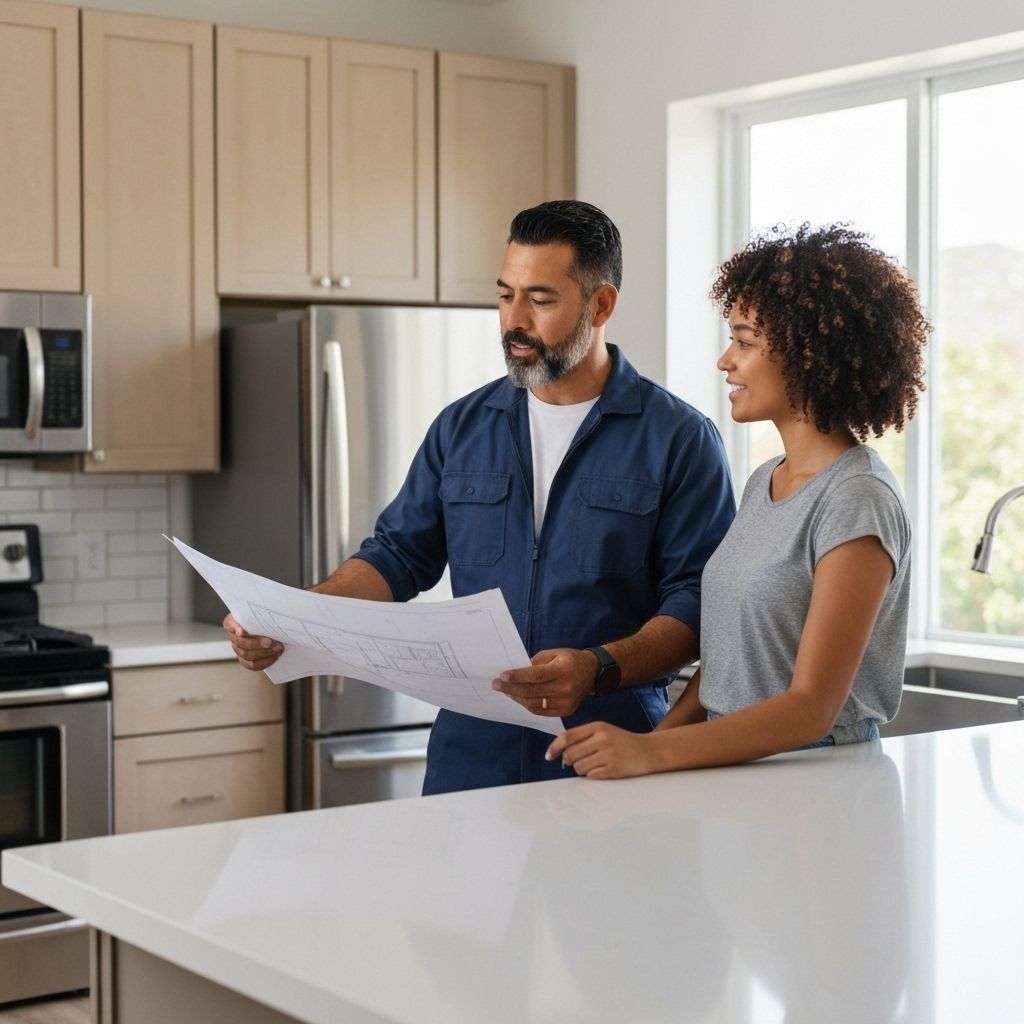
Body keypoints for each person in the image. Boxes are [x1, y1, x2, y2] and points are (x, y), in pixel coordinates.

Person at [225, 199, 736, 794]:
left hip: (608, 753)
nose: (514, 320)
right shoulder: (462, 427)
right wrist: (296, 617)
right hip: (468, 761)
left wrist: (596, 668)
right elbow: (397, 556)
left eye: (540, 300)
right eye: (505, 295)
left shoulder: (679, 439)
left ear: (601, 305)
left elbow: (698, 605)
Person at [547, 222, 930, 778]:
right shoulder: (764, 481)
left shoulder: (857, 497)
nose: (725, 360)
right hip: (738, 772)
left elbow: (811, 709)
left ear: (809, 354)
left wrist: (651, 753)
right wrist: (644, 749)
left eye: (745, 342)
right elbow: (729, 662)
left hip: (820, 782)